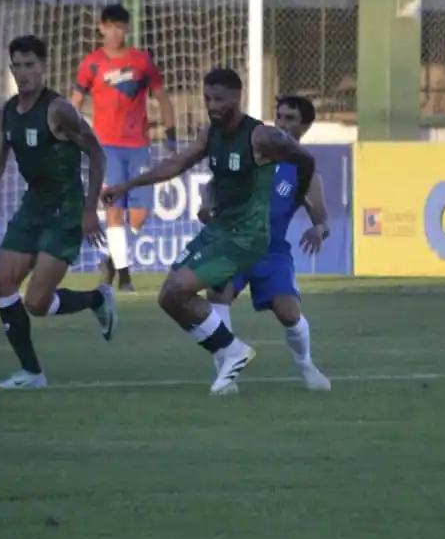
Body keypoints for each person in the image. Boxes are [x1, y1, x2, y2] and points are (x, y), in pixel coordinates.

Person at [102, 69, 316, 395]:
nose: (212, 106)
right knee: (169, 297)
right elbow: (177, 163)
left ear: (237, 97)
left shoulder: (261, 137)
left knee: (183, 291)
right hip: (220, 229)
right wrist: (127, 186)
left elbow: (305, 160)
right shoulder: (209, 134)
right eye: (207, 98)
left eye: (219, 99)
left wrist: (300, 196)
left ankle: (233, 353)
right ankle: (230, 352)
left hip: (246, 238)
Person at [0, 35, 118, 390]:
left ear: (43, 67)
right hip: (34, 205)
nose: (24, 72)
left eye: (31, 65)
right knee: (0, 285)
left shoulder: (59, 110)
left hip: (67, 207)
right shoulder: (6, 114)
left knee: (37, 303)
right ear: (11, 69)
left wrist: (90, 209)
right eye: (18, 66)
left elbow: (97, 153)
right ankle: (32, 373)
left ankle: (97, 298)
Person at [199, 95, 331, 393]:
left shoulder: (306, 173)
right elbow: (211, 186)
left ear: (306, 126)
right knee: (217, 293)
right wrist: (208, 206)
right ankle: (225, 375)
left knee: (289, 314)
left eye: (291, 119)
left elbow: (323, 221)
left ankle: (306, 365)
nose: (282, 124)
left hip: (271, 252)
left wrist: (318, 230)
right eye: (280, 117)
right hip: (233, 243)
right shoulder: (252, 152)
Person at [70, 3, 176, 293]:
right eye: (110, 26)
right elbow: (75, 103)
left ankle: (111, 259)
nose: (115, 32)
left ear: (126, 29)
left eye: (121, 27)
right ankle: (125, 275)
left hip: (139, 146)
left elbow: (162, 98)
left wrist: (171, 137)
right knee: (113, 211)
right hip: (106, 148)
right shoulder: (91, 64)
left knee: (138, 217)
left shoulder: (142, 61)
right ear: (101, 28)